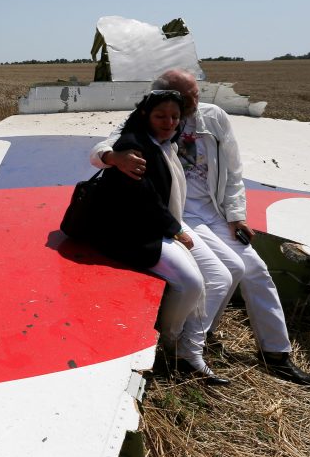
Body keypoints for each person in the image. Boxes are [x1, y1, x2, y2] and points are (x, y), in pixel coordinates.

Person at [91, 69, 310, 385]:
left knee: (255, 270)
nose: (195, 102)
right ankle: (189, 345)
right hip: (179, 212)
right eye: (188, 97)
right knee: (227, 271)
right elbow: (105, 146)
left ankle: (275, 354)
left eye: (198, 94)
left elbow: (234, 171)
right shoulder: (153, 118)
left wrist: (236, 215)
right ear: (166, 97)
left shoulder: (214, 118)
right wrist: (114, 157)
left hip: (214, 211)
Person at [88, 89, 229, 385]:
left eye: (175, 117)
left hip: (160, 225)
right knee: (190, 282)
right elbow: (144, 199)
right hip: (133, 233)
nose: (168, 122)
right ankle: (169, 342)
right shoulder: (133, 147)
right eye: (160, 116)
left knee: (219, 277)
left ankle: (191, 345)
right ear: (145, 115)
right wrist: (176, 230)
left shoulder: (166, 142)